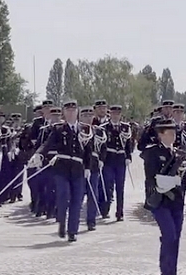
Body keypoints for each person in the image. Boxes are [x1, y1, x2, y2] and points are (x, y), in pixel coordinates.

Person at [141, 118, 186, 275]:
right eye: (170, 133)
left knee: (176, 238)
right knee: (169, 235)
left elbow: (185, 177)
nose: (173, 136)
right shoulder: (152, 152)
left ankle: (171, 274)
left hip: (177, 201)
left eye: (174, 133)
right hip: (160, 200)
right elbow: (151, 176)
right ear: (160, 135)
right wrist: (169, 179)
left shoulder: (178, 153)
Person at [29, 100, 92, 242]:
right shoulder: (58, 129)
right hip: (62, 168)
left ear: (77, 112)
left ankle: (72, 231)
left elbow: (89, 150)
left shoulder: (85, 129)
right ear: (64, 113)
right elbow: (47, 144)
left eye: (73, 110)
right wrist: (38, 154)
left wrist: (88, 167)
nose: (70, 113)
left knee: (77, 200)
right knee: (63, 196)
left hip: (78, 169)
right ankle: (62, 222)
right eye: (68, 110)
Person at [99, 105, 132, 221]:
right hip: (109, 159)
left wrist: (129, 157)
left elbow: (128, 144)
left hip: (121, 160)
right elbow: (102, 145)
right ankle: (105, 209)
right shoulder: (104, 128)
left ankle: (120, 212)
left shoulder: (125, 127)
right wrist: (101, 160)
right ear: (110, 114)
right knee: (108, 186)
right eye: (113, 113)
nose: (116, 116)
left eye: (118, 114)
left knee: (120, 187)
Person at [79, 106, 107, 230]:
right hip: (79, 166)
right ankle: (74, 219)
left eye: (90, 116)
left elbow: (104, 147)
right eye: (85, 116)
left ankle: (91, 221)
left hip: (94, 166)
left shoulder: (98, 131)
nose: (88, 118)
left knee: (93, 194)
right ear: (81, 117)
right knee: (78, 194)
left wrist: (101, 160)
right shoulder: (77, 130)